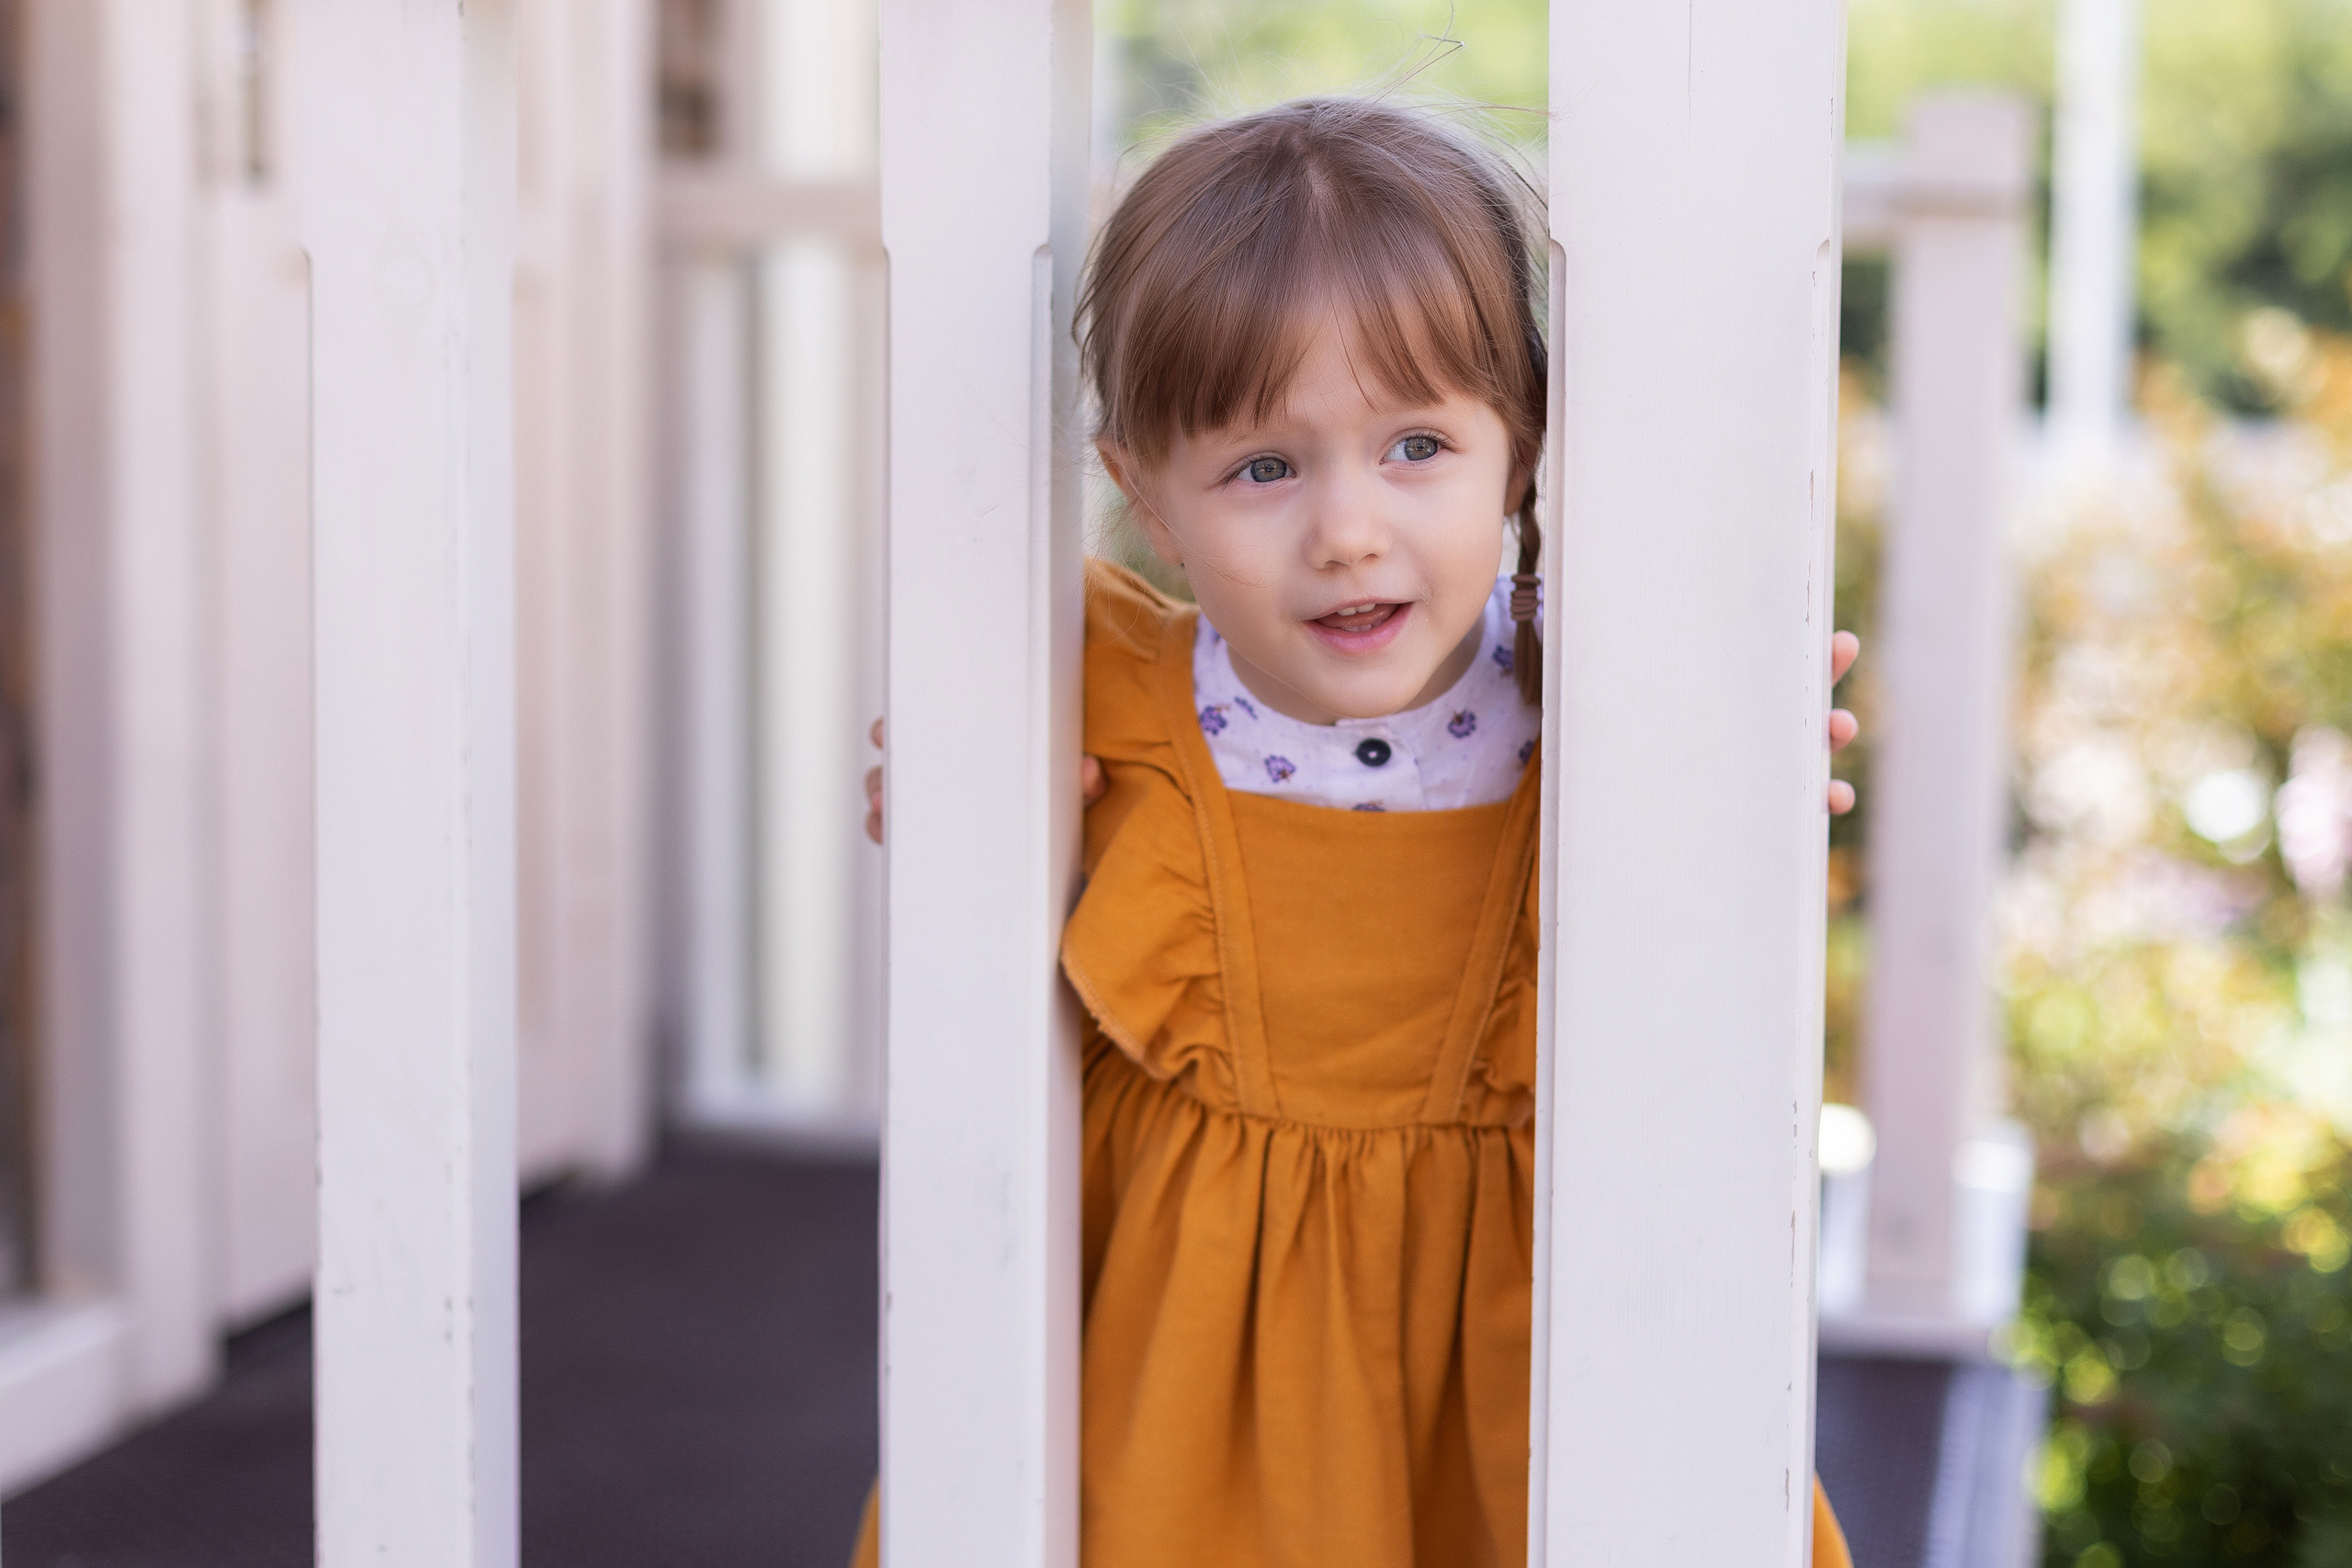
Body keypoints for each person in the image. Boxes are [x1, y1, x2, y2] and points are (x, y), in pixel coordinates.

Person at [857, 96, 1860, 1568]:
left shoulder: (1613, 732)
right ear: (1145, 490)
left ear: (1518, 448)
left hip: (1523, 1382)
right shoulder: (1101, 702)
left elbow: (1710, 994)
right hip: (1172, 1404)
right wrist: (948, 807)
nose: (1346, 529)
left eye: (1415, 446)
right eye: (1265, 466)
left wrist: (1748, 817)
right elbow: (966, 822)